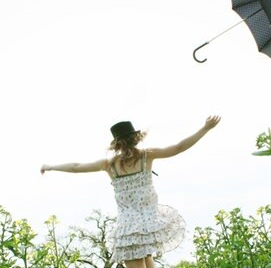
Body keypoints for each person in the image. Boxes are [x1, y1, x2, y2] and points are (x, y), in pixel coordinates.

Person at [40, 115, 221, 268]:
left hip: (130, 231)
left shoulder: (110, 165)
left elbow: (76, 167)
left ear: (116, 144)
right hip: (147, 226)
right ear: (136, 138)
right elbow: (178, 147)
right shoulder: (146, 156)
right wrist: (205, 128)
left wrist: (51, 166)